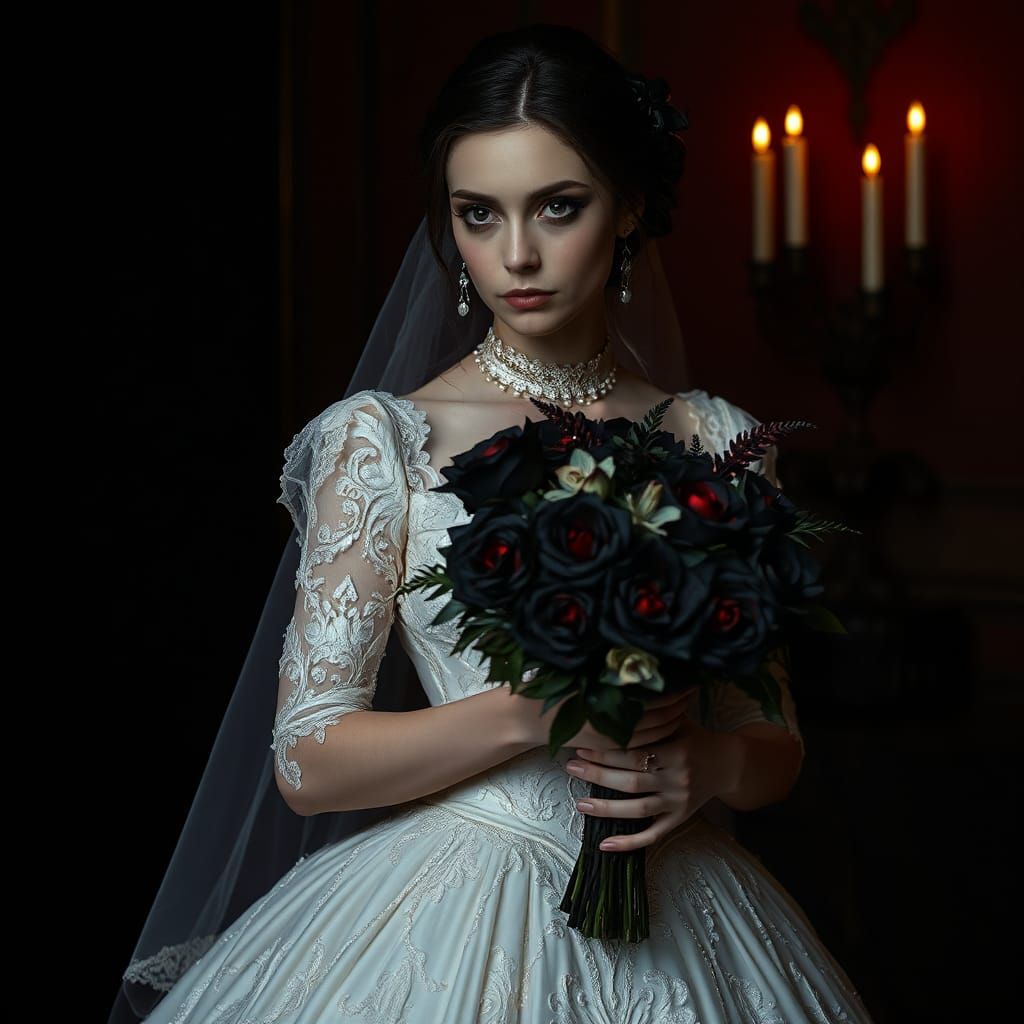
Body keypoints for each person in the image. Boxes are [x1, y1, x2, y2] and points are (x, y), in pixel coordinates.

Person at [112, 23, 874, 1023]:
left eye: (559, 206)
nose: (516, 253)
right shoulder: (383, 440)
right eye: (479, 214)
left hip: (686, 896)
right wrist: (536, 711)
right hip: (444, 906)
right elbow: (307, 758)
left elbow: (769, 733)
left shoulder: (713, 438)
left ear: (630, 208)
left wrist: (714, 764)